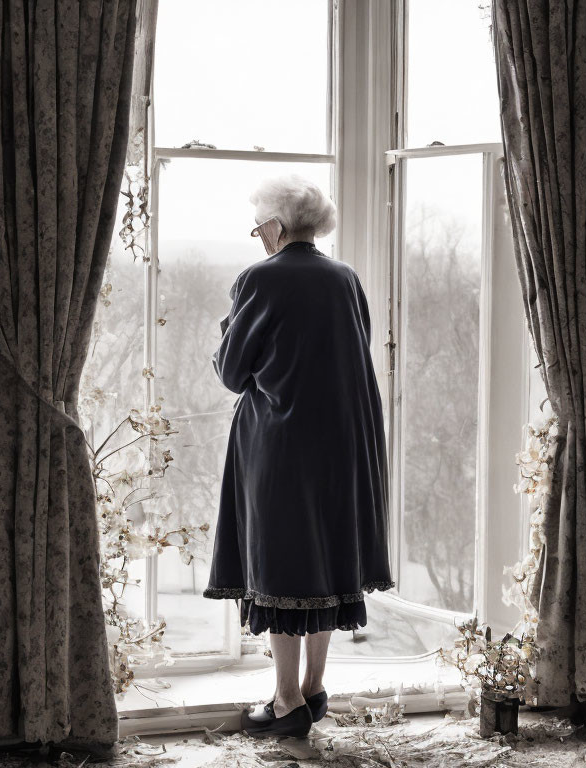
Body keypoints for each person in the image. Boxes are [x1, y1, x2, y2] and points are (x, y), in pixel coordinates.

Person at [203, 174, 393, 738]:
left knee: (281, 564)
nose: (257, 235)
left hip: (280, 447)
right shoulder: (346, 278)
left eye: (259, 225)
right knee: (323, 560)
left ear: (280, 226)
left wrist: (226, 329)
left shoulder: (259, 279)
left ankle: (285, 702)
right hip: (341, 443)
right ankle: (313, 689)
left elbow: (233, 373)